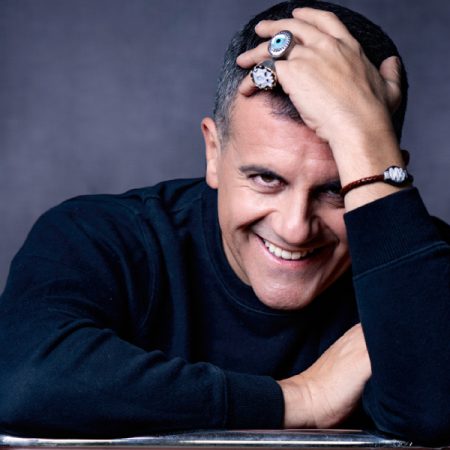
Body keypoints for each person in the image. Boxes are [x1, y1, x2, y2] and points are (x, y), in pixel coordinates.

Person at [0, 0, 449, 445]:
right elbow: (22, 379)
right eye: (267, 179)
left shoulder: (422, 274)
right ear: (213, 152)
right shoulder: (98, 237)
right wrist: (299, 398)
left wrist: (365, 148)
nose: (295, 228)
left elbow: (433, 413)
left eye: (337, 189)